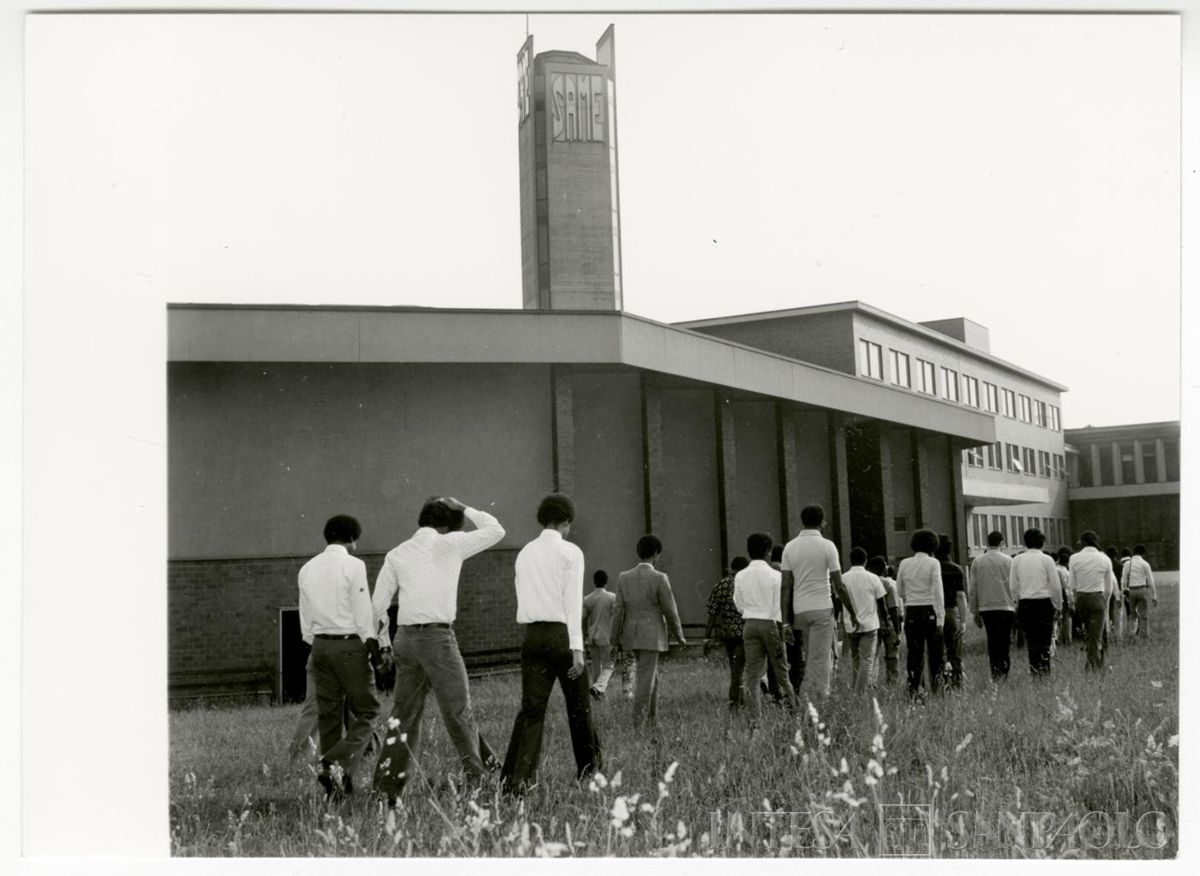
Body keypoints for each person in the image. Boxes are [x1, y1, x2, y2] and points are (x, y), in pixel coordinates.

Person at [371, 497, 505, 809]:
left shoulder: (397, 553)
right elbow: (496, 530)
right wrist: (466, 507)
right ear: (445, 526)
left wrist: (384, 644)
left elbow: (378, 606)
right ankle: (480, 779)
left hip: (404, 639)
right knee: (458, 712)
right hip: (438, 638)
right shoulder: (451, 544)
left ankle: (387, 789)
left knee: (403, 717)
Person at [500, 494, 602, 795]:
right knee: (579, 708)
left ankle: (516, 781)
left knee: (531, 711)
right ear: (566, 521)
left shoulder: (524, 554)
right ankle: (589, 773)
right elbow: (572, 602)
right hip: (562, 638)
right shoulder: (571, 552)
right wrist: (577, 649)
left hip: (532, 638)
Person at [298, 514, 382, 798]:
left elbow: (305, 619)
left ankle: (335, 788)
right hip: (348, 645)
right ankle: (333, 762)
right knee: (368, 712)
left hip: (319, 645)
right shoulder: (354, 565)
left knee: (329, 717)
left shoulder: (307, 569)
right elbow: (362, 612)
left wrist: (316, 641)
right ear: (353, 539)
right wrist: (372, 646)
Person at [779, 504, 857, 700]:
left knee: (810, 657)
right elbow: (839, 585)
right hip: (821, 608)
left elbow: (786, 586)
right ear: (822, 522)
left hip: (799, 611)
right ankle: (816, 704)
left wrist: (786, 622)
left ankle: (809, 700)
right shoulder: (827, 546)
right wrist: (853, 612)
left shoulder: (790, 547)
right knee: (821, 661)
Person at [610, 534, 688, 728]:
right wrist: (679, 635)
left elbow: (618, 610)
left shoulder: (623, 577)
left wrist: (614, 639)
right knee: (646, 680)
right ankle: (639, 725)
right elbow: (670, 610)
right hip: (651, 637)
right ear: (656, 554)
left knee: (652, 677)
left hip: (631, 635)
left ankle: (653, 720)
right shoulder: (660, 578)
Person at [734, 533, 796, 721]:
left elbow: (739, 604)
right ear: (769, 552)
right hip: (771, 624)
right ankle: (794, 713)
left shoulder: (740, 575)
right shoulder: (776, 576)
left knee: (752, 675)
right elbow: (780, 604)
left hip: (750, 624)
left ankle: (755, 721)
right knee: (782, 672)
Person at [896, 529, 944, 699]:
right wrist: (940, 618)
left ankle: (915, 691)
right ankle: (938, 690)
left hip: (912, 611)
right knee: (935, 655)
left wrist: (909, 597)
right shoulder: (933, 563)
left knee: (914, 654)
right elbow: (938, 592)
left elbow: (899, 589)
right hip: (930, 609)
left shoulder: (904, 563)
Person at [1009, 528, 1062, 677]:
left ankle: (1035, 672)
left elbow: (1013, 585)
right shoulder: (1047, 559)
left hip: (1026, 604)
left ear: (1025, 542)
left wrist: (1016, 603)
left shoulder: (1017, 560)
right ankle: (1045, 672)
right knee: (1045, 640)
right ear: (1042, 542)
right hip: (1044, 603)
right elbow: (1055, 585)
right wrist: (1058, 604)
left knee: (1032, 642)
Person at [968, 531, 1015, 682]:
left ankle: (995, 673)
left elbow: (973, 588)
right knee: (1005, 641)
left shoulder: (978, 561)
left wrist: (974, 610)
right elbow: (1014, 586)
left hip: (986, 607)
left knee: (992, 641)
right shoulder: (1009, 560)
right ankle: (1004, 673)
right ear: (1001, 543)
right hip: (1006, 606)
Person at [704, 556, 749, 711]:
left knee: (735, 666)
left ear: (731, 568)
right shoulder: (747, 583)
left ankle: (736, 699)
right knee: (741, 668)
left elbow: (712, 613)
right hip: (746, 632)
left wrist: (706, 637)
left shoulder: (721, 585)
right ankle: (737, 700)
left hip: (728, 633)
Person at [841, 547, 888, 693]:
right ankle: (859, 693)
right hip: (869, 625)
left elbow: (838, 602)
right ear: (865, 560)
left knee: (855, 658)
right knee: (867, 660)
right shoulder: (873, 578)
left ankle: (856, 688)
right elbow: (882, 604)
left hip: (850, 625)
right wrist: (886, 622)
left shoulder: (843, 578)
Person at [1068, 531, 1117, 671]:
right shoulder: (1105, 559)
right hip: (1098, 598)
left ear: (1082, 543)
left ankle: (1094, 662)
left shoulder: (1074, 558)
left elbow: (1072, 585)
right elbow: (1109, 588)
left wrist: (1076, 597)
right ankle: (1094, 666)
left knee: (1090, 633)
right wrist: (1105, 601)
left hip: (1081, 598)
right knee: (1096, 635)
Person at [935, 535, 968, 689]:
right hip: (951, 612)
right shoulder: (956, 568)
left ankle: (940, 682)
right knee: (954, 651)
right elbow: (960, 596)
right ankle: (956, 682)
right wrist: (963, 620)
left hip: (935, 612)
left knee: (937, 651)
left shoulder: (932, 567)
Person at [867, 556, 902, 685]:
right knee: (892, 655)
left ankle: (871, 683)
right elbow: (893, 608)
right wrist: (897, 631)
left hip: (872, 623)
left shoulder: (868, 581)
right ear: (883, 569)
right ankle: (892, 681)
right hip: (887, 623)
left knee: (873, 656)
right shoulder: (887, 584)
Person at [583, 569, 617, 699]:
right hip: (606, 636)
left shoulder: (587, 599)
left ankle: (598, 695)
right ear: (606, 582)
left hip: (592, 637)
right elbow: (615, 617)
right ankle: (598, 688)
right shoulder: (612, 598)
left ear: (594, 582)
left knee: (596, 666)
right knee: (609, 665)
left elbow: (584, 619)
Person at [1122, 544, 1158, 640]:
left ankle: (1131, 634)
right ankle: (1143, 636)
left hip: (1131, 590)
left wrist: (1124, 591)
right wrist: (1154, 595)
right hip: (1142, 589)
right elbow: (1150, 581)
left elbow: (1124, 580)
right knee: (1144, 614)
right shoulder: (1145, 564)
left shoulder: (1127, 564)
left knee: (1132, 614)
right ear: (1143, 553)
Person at [1054, 547, 1074, 649]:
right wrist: (1071, 602)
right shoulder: (1065, 572)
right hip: (1063, 594)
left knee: (1056, 618)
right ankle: (1067, 638)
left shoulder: (1054, 568)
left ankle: (1056, 638)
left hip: (1053, 594)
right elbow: (1067, 588)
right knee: (1067, 618)